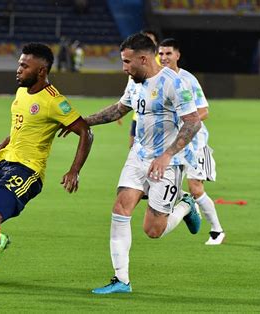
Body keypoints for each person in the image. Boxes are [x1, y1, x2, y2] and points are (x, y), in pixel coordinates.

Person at [0, 43, 93, 293]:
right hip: (4, 163)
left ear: (41, 71)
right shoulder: (22, 92)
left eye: (24, 65)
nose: (18, 69)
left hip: (27, 172)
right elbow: (19, 128)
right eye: (19, 63)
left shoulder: (54, 101)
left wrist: (74, 170)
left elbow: (85, 132)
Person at [61, 33, 202, 294]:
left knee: (153, 230)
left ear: (144, 58)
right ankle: (121, 280)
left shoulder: (175, 83)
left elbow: (194, 122)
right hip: (138, 157)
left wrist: (167, 155)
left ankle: (184, 206)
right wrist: (82, 122)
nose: (124, 67)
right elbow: (119, 109)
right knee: (120, 208)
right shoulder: (134, 81)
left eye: (127, 62)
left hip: (166, 163)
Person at [158, 38, 225, 245]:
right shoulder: (155, 80)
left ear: (177, 55)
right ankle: (186, 204)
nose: (164, 57)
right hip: (169, 144)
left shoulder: (187, 79)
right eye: (161, 54)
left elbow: (204, 111)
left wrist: (183, 118)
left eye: (168, 53)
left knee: (196, 188)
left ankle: (217, 231)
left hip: (195, 143)